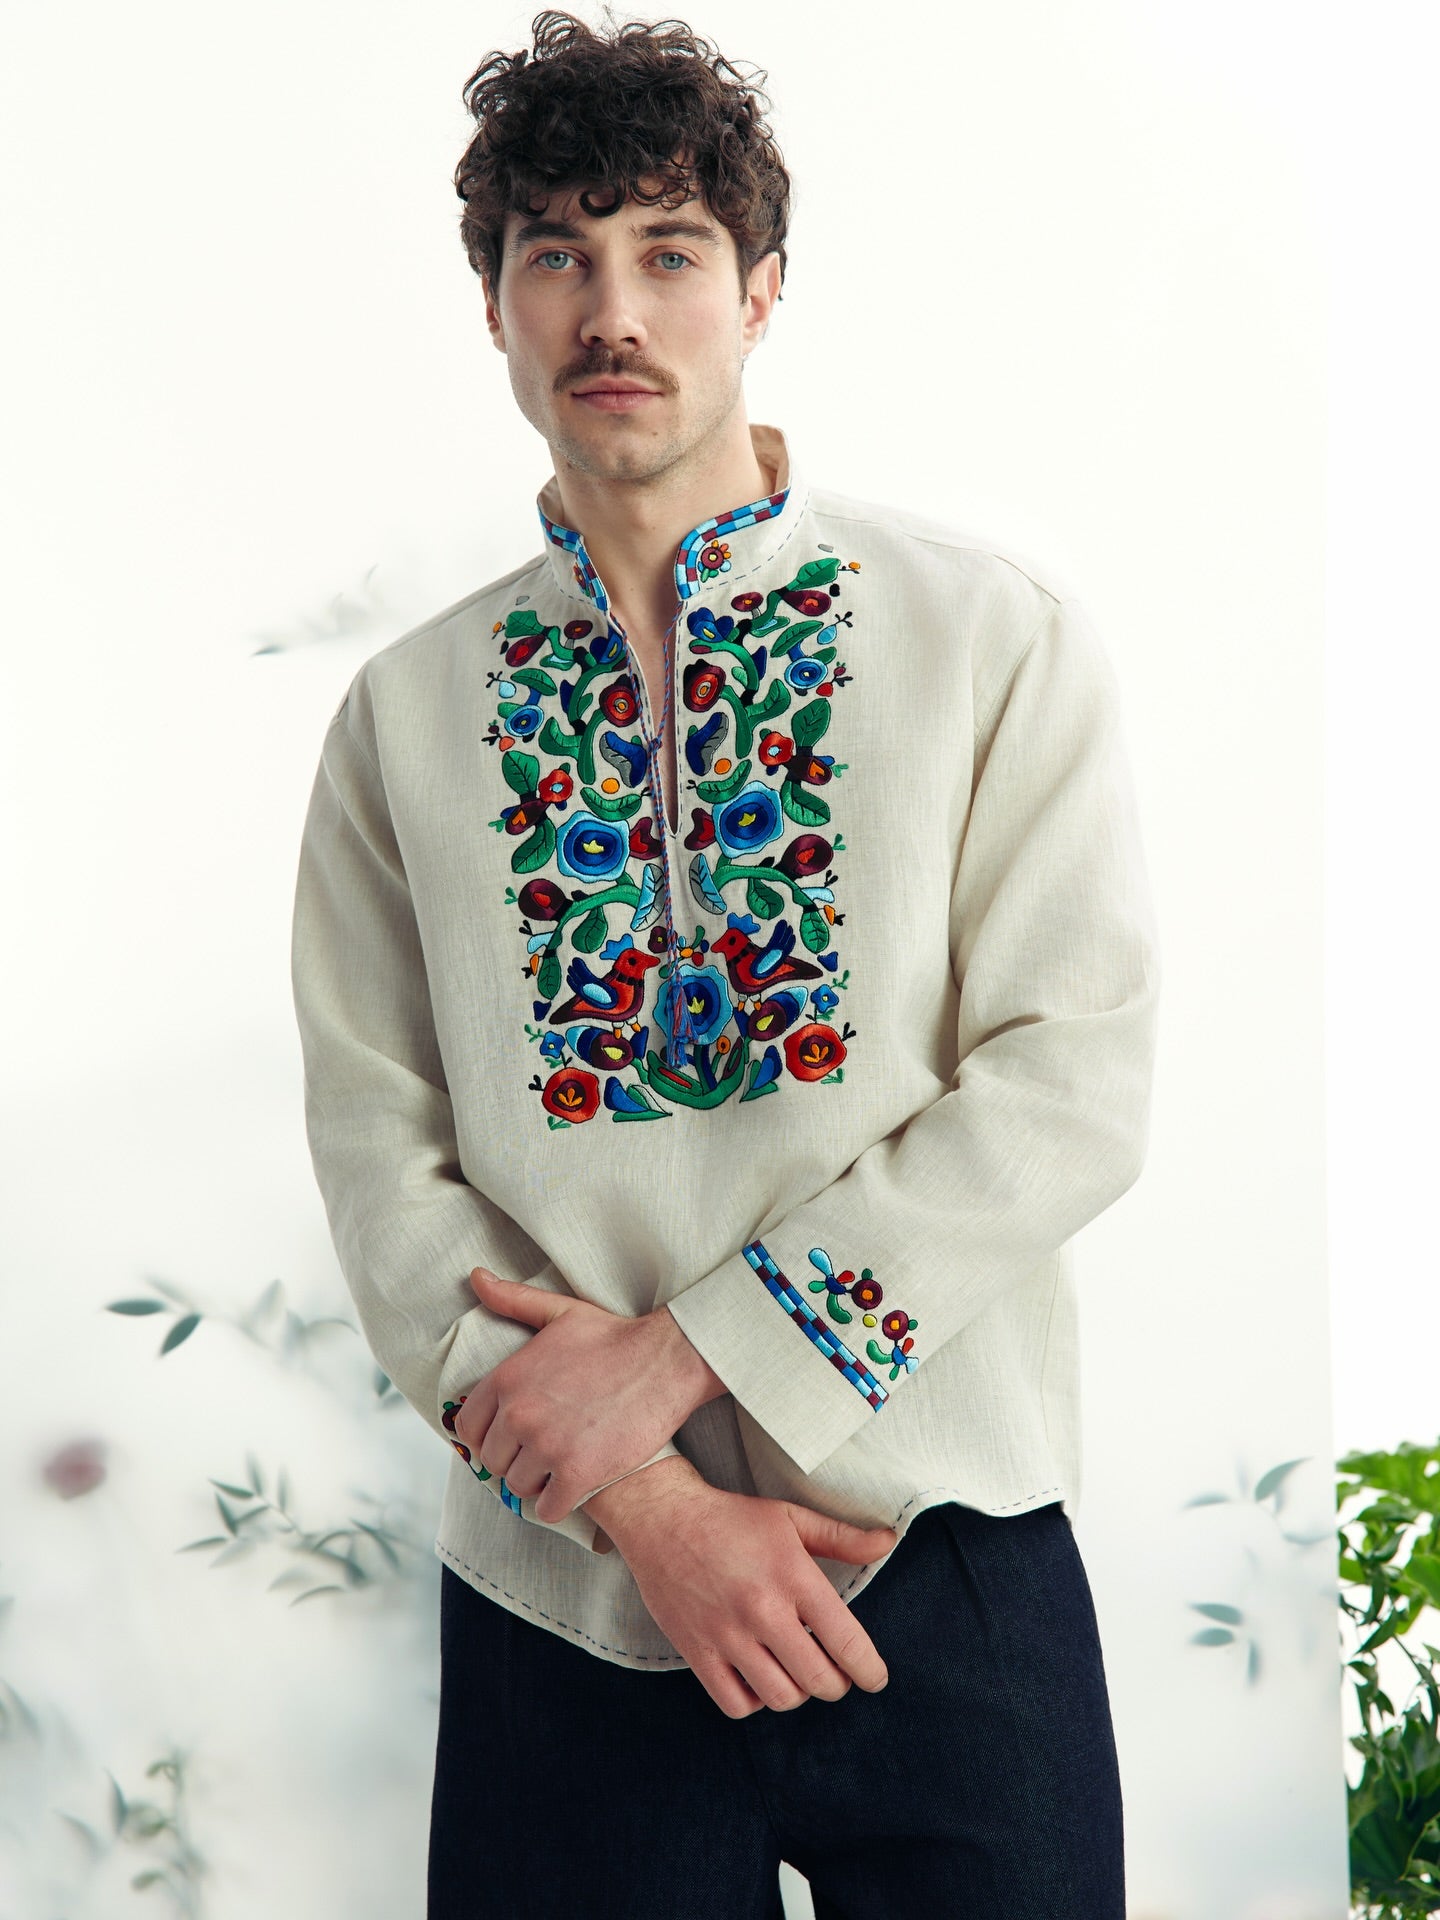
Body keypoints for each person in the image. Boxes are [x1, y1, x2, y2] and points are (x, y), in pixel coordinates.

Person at [288, 9, 1161, 1916]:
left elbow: (1072, 1082)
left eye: (669, 251)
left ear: (761, 290)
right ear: (498, 311)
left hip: (940, 1552)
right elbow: (382, 1165)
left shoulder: (985, 640)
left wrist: (688, 1358)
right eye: (556, 255)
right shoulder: (403, 720)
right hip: (565, 1601)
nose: (614, 307)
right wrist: (649, 1503)